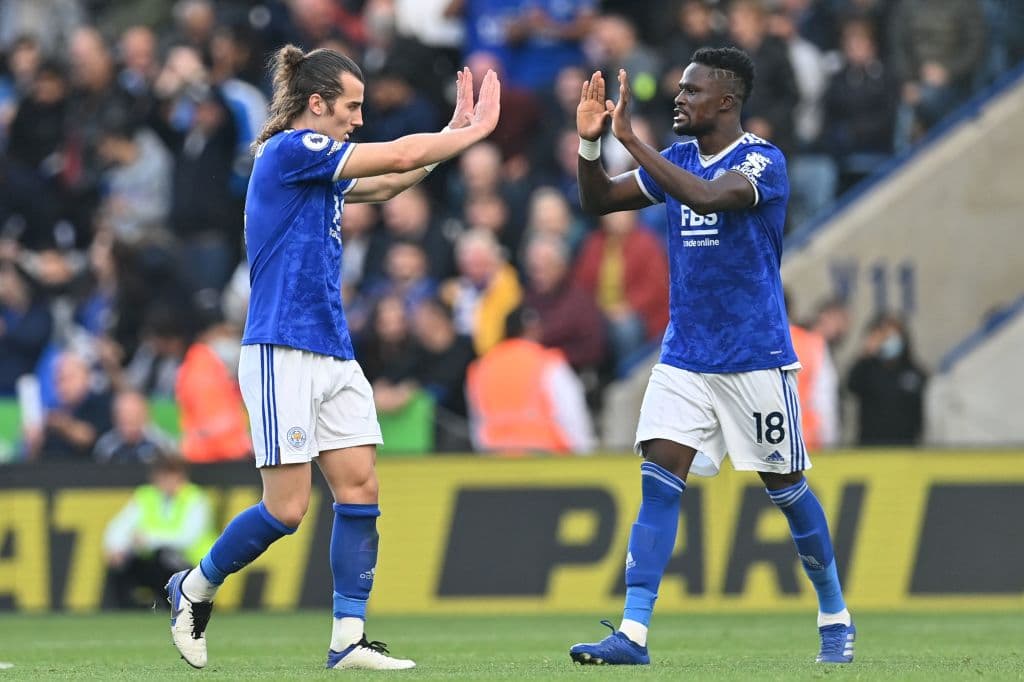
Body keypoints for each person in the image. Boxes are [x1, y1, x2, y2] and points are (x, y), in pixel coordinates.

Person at [164, 45, 500, 671]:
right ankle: (194, 585)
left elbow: (393, 179)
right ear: (316, 104)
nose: (359, 119)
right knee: (287, 509)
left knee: (360, 486)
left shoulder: (318, 165)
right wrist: (472, 133)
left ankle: (348, 637)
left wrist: (449, 138)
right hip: (281, 348)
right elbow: (396, 156)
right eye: (352, 106)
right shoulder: (291, 151)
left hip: (333, 351)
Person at [567, 48, 854, 666]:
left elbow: (707, 197)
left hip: (754, 355)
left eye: (692, 91)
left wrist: (631, 141)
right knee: (657, 480)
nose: (679, 99)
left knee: (786, 488)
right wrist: (591, 146)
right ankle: (633, 634)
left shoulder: (762, 161)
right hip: (686, 356)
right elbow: (600, 201)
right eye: (679, 89)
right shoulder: (676, 159)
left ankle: (835, 614)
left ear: (726, 101)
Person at [465, 306, 595, 454]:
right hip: (544, 453)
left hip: (495, 454)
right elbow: (572, 415)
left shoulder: (482, 366)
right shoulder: (548, 363)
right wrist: (583, 452)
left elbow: (477, 423)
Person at [103, 455, 215, 608]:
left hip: (192, 564)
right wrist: (116, 547)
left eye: (172, 476)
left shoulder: (195, 498)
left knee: (163, 556)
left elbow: (188, 538)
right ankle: (126, 610)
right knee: (122, 561)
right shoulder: (146, 496)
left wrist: (149, 539)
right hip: (156, 561)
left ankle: (181, 604)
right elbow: (120, 526)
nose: (168, 482)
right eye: (164, 476)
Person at [847, 314, 926, 445]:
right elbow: (851, 386)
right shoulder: (868, 368)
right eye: (885, 337)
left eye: (894, 337)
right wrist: (866, 354)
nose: (890, 342)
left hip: (905, 446)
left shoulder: (914, 372)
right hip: (870, 445)